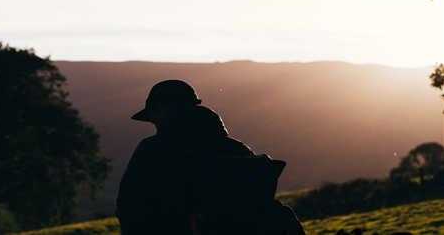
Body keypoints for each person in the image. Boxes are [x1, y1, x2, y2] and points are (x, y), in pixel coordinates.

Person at [116, 79, 304, 235]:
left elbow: (129, 208)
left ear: (162, 110)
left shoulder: (152, 150)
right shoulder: (237, 149)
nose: (154, 122)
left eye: (154, 115)